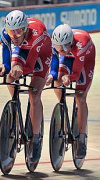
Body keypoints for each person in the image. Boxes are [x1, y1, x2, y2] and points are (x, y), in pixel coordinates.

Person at [0, 10, 52, 163]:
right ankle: (16, 104)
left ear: (25, 29)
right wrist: (5, 68)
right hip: (23, 50)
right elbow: (7, 60)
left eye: (18, 31)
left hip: (41, 54)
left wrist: (18, 68)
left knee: (34, 94)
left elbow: (30, 65)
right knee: (10, 75)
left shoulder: (36, 32)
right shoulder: (7, 34)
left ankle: (35, 138)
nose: (14, 35)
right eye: (11, 31)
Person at [46, 24, 95, 159]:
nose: (61, 50)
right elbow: (55, 66)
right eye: (58, 47)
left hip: (85, 60)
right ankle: (63, 107)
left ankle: (82, 137)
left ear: (71, 42)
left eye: (64, 46)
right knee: (58, 80)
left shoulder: (81, 43)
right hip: (69, 57)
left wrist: (70, 77)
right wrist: (51, 75)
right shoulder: (57, 45)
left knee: (80, 98)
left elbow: (77, 73)